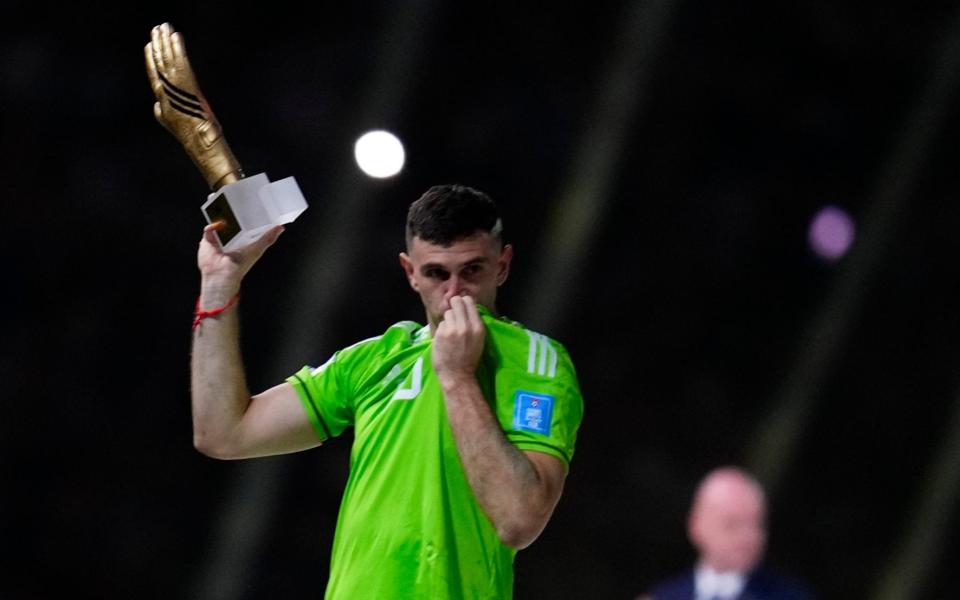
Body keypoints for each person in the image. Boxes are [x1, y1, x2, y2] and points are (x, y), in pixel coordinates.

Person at [190, 184, 584, 598]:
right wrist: (219, 284)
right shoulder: (375, 359)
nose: (454, 293)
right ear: (410, 272)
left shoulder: (536, 362)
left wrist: (457, 377)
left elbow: (519, 519)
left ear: (502, 266)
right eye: (436, 273)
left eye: (473, 271)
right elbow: (224, 434)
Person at [639, 467, 814, 600]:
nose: (749, 537)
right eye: (732, 524)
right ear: (696, 526)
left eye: (757, 525)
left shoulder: (791, 595)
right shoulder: (662, 596)